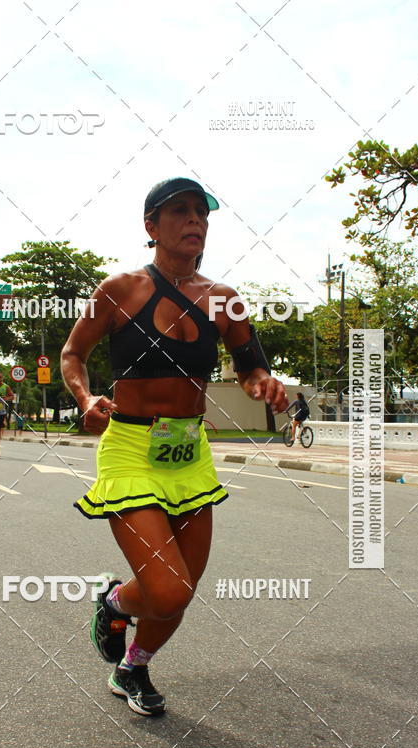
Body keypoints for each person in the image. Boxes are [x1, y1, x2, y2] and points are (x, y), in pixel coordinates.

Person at [61, 176, 287, 717]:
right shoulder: (120, 290)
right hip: (132, 447)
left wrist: (262, 382)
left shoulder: (224, 301)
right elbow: (73, 354)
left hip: (189, 451)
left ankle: (133, 666)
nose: (195, 221)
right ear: (151, 227)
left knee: (183, 589)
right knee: (167, 591)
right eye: (181, 211)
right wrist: (86, 396)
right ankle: (114, 602)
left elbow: (251, 364)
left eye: (202, 214)